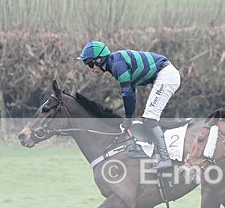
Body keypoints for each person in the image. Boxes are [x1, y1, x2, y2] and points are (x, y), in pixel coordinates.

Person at [77, 40, 180, 170]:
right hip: (164, 74)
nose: (91, 69)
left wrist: (128, 119)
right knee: (148, 118)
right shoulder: (115, 63)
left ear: (99, 60)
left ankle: (166, 159)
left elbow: (127, 94)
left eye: (90, 64)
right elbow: (130, 91)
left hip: (166, 75)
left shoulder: (117, 65)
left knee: (150, 118)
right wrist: (128, 118)